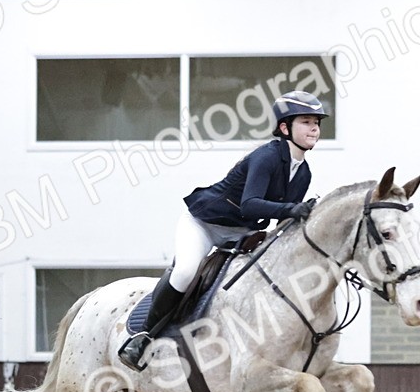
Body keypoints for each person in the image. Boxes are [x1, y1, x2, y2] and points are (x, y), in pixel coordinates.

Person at [118, 90, 327, 370]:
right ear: (284, 127)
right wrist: (291, 209)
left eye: (316, 122)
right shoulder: (265, 157)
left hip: (241, 234)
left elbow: (281, 225)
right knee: (185, 271)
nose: (314, 127)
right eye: (306, 121)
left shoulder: (303, 172)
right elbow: (250, 204)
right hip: (205, 224)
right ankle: (143, 337)